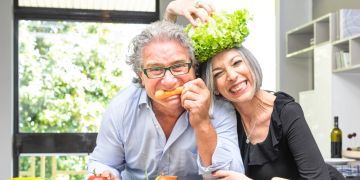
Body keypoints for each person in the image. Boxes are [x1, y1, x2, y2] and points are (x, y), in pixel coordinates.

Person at [164, 1, 345, 179]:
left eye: (237, 63)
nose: (232, 76)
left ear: (250, 64)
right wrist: (170, 13)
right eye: (218, 73)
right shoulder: (225, 117)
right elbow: (171, 69)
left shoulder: (286, 112)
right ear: (214, 88)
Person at [87, 20, 244, 180]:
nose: (169, 81)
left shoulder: (220, 109)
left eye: (179, 66)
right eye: (155, 69)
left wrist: (203, 123)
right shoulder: (121, 107)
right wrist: (104, 175)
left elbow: (230, 176)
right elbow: (104, 163)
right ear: (141, 76)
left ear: (194, 68)